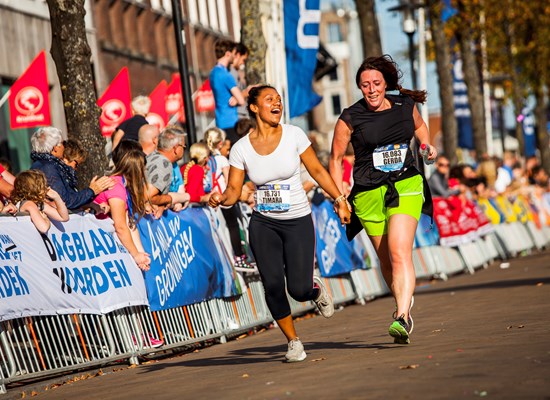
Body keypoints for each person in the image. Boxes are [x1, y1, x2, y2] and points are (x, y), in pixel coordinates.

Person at [209, 85, 351, 362]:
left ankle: (315, 289)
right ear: (254, 107)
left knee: (298, 289)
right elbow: (234, 191)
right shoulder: (240, 149)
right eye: (269, 99)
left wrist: (339, 199)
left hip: (297, 220)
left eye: (279, 99)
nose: (277, 103)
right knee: (273, 285)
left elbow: (317, 170)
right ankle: (293, 342)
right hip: (264, 223)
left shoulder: (294, 135)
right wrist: (221, 198)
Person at [329, 55, 436, 345]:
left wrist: (427, 148)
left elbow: (422, 130)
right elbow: (336, 159)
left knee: (399, 251)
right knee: (386, 259)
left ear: (385, 83)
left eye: (376, 83)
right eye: (365, 85)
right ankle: (403, 301)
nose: (372, 89)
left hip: (405, 183)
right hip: (367, 192)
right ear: (359, 88)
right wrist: (340, 197)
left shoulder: (405, 106)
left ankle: (402, 315)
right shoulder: (350, 117)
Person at [93, 149, 152, 271]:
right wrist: (135, 255)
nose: (144, 174)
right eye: (143, 169)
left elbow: (128, 222)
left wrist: (141, 254)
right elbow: (120, 227)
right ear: (137, 170)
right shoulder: (117, 188)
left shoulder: (124, 185)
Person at [30, 127, 113, 211]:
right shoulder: (48, 167)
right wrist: (92, 191)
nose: (64, 147)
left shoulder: (44, 164)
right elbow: (66, 202)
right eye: (62, 144)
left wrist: (91, 194)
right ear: (55, 148)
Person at [205, 127, 252, 271]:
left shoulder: (207, 159)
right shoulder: (222, 160)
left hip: (211, 198)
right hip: (224, 199)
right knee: (233, 226)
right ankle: (239, 257)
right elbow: (229, 182)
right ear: (220, 144)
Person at [209, 39, 245, 145]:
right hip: (231, 122)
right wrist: (238, 98)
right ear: (228, 54)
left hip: (220, 121)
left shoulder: (213, 73)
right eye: (234, 54)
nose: (235, 57)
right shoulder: (226, 75)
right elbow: (241, 100)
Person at [230, 42, 250, 120]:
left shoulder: (233, 72)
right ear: (238, 55)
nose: (243, 63)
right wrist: (247, 92)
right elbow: (233, 98)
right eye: (243, 60)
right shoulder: (230, 73)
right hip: (238, 116)